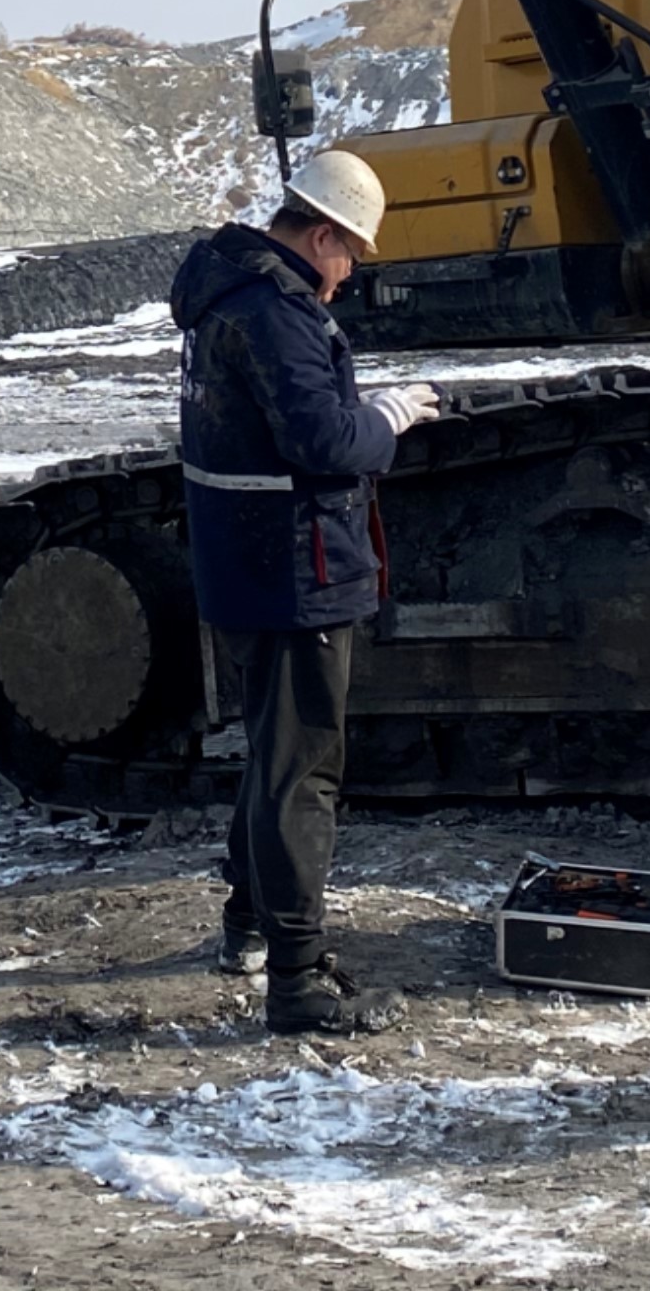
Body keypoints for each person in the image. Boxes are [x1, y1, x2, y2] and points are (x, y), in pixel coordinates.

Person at [173, 147, 441, 1037]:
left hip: (248, 561)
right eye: (351, 252)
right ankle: (298, 979)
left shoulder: (225, 293)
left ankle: (250, 924)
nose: (349, 274)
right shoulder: (277, 311)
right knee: (302, 772)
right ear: (321, 234)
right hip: (298, 569)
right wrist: (385, 420)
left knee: (273, 751)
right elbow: (322, 442)